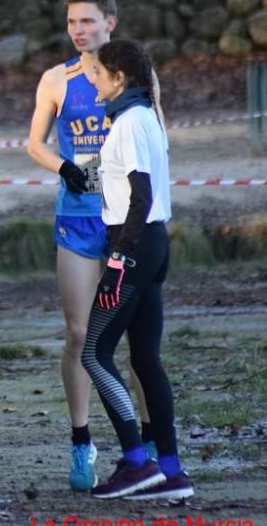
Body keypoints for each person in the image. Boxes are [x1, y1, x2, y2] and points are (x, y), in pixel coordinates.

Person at [26, 0, 157, 492]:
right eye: (72, 23)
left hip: (126, 223)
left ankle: (148, 445)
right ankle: (82, 442)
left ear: (111, 24)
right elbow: (34, 144)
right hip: (78, 221)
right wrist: (63, 167)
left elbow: (156, 136)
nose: (79, 31)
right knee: (81, 335)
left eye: (88, 22)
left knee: (135, 340)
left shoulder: (138, 78)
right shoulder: (56, 80)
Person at [81, 39, 191, 500]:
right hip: (155, 244)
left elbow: (139, 196)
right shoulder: (146, 117)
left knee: (94, 353)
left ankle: (136, 461)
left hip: (134, 245)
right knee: (145, 358)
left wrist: (118, 259)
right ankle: (171, 470)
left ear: (119, 77)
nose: (94, 82)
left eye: (99, 74)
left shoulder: (127, 123)